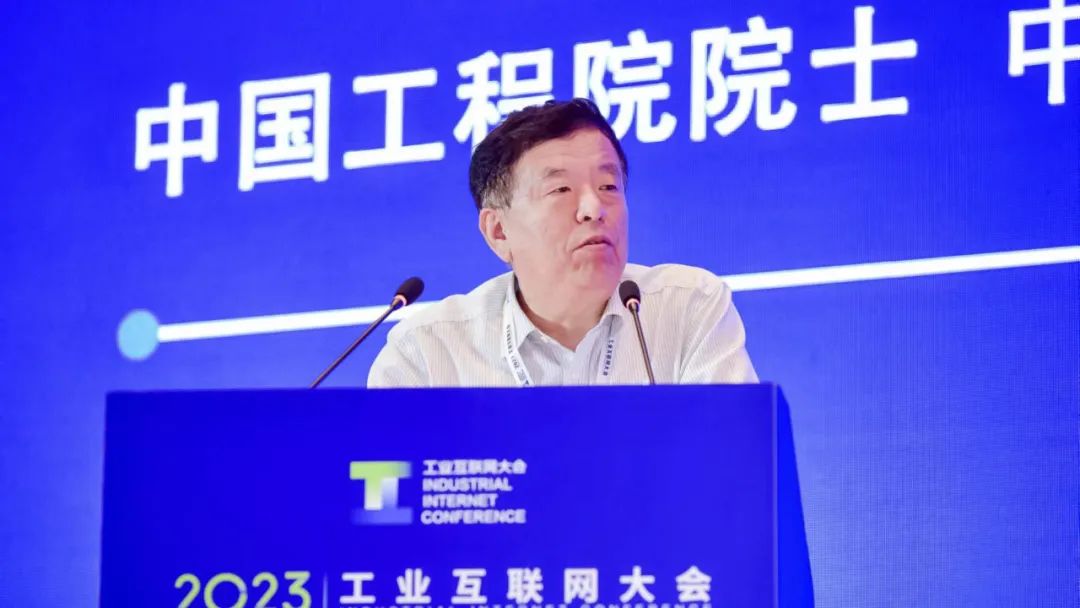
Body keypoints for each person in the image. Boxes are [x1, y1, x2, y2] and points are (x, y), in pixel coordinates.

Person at [368, 99, 757, 387]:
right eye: (561, 190)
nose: (593, 208)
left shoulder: (687, 308)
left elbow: (737, 463)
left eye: (608, 186)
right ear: (499, 232)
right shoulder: (427, 352)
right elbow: (380, 476)